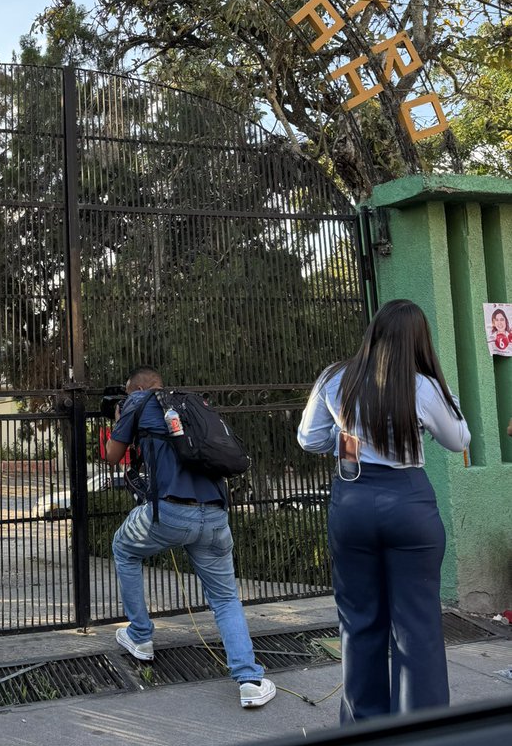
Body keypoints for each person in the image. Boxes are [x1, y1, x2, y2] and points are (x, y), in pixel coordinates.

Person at [297, 299, 470, 724]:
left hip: (352, 501)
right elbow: (458, 439)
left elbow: (308, 439)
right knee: (417, 626)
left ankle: (363, 735)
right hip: (409, 504)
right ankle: (419, 738)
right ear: (419, 341)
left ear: (373, 332)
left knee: (358, 623)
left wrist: (346, 435)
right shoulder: (423, 386)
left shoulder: (335, 378)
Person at [103, 366, 276, 709]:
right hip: (214, 514)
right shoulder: (192, 404)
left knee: (123, 548)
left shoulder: (137, 401)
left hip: (169, 513)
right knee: (226, 598)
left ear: (136, 388)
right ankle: (250, 681)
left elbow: (111, 454)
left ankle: (140, 636)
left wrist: (120, 418)